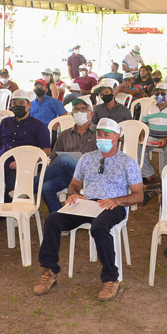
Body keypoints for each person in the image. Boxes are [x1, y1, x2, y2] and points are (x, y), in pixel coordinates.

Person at [34, 118, 143, 301]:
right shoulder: (87, 158)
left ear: (116, 138)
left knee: (99, 227)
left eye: (106, 135)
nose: (101, 138)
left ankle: (111, 278)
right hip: (88, 204)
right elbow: (74, 185)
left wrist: (116, 200)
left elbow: (138, 195)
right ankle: (49, 270)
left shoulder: (127, 162)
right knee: (53, 219)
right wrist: (75, 194)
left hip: (113, 205)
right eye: (99, 134)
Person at [0, 90, 52, 224]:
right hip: (1, 161)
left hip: (22, 165)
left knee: (11, 187)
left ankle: (2, 215)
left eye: (21, 103)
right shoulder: (5, 122)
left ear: (29, 105)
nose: (17, 106)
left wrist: (24, 162)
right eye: (14, 103)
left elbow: (46, 151)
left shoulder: (39, 126)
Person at [41, 97, 98, 213]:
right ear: (72, 114)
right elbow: (54, 159)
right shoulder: (65, 134)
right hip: (69, 176)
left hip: (89, 176)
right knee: (45, 187)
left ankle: (32, 184)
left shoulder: (99, 133)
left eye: (83, 109)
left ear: (91, 114)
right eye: (76, 109)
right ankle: (60, 219)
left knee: (64, 159)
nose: (79, 112)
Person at [140, 83, 167, 182]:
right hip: (151, 138)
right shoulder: (150, 106)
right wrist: (142, 138)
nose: (160, 96)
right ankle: (150, 174)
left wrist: (166, 139)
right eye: (157, 93)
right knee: (136, 149)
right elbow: (143, 125)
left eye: (163, 93)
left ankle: (165, 177)